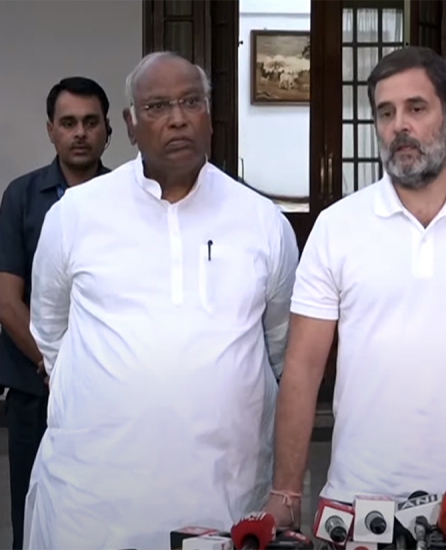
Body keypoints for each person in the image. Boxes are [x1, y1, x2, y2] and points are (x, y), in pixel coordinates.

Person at [263, 46, 446, 527]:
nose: (400, 125)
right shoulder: (338, 228)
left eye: (416, 109)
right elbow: (301, 367)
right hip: (356, 503)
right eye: (386, 113)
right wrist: (286, 492)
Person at [23, 51, 299, 549]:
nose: (177, 118)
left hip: (225, 499)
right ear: (129, 124)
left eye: (191, 102)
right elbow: (50, 329)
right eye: (156, 106)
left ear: (210, 117)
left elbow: (279, 348)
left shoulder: (262, 222)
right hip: (90, 502)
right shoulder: (76, 215)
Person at [0, 76, 112, 550]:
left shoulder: (127, 198)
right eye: (68, 123)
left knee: (98, 511)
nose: (80, 132)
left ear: (108, 131)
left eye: (90, 122)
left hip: (105, 388)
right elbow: (6, 302)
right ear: (50, 131)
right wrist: (54, 364)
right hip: (33, 384)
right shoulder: (21, 196)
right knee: (33, 511)